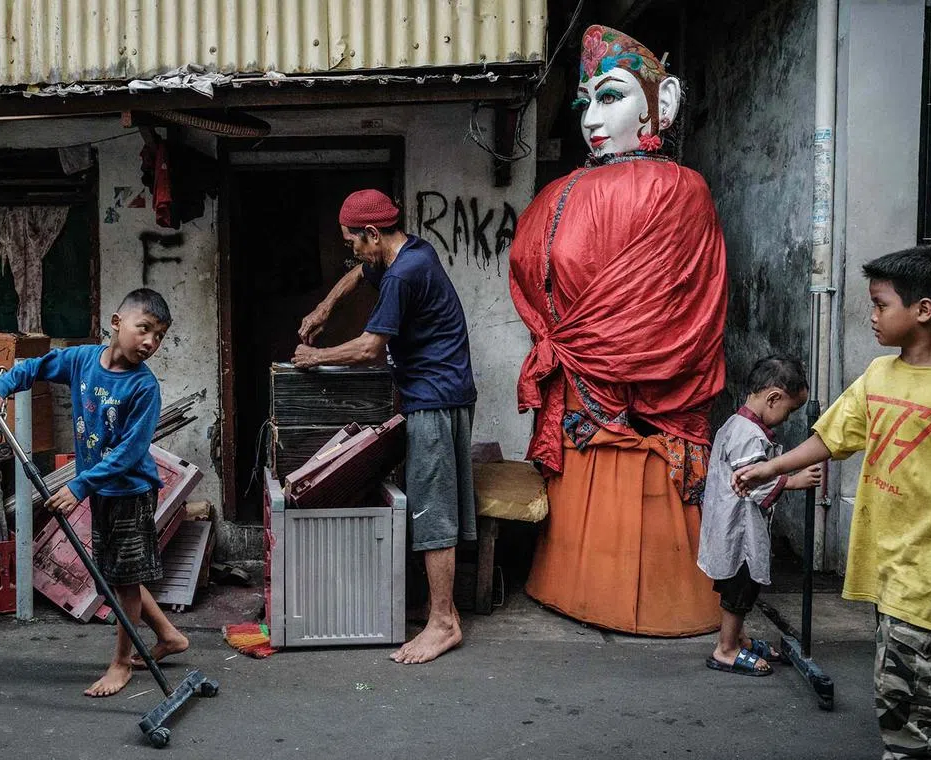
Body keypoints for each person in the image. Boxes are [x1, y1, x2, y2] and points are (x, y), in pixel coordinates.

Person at [507, 24, 727, 635]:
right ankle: (581, 585)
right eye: (586, 103)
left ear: (663, 103)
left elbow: (676, 305)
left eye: (611, 96)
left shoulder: (681, 190)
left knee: (632, 491)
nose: (591, 119)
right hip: (581, 371)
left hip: (632, 384)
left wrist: (592, 337)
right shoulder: (561, 192)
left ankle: (643, 595)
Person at [735, 247, 931, 757]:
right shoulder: (878, 376)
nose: (871, 317)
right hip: (891, 567)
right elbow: (833, 438)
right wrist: (770, 466)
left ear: (923, 310)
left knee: (909, 720)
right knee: (906, 699)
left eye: (880, 305)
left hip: (927, 573)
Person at [294, 188, 477, 664]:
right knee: (429, 500)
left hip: (435, 399)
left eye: (353, 241)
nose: (352, 251)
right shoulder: (410, 250)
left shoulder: (403, 275)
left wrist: (316, 357)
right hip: (436, 392)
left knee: (432, 510)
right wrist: (325, 307)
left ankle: (443, 624)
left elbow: (370, 348)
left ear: (373, 233)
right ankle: (443, 610)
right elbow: (360, 273)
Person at [0, 288, 189, 697]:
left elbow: (130, 452)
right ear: (116, 323)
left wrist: (78, 485)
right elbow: (36, 367)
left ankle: (121, 663)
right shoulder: (81, 361)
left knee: (123, 582)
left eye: (159, 336)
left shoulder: (144, 388)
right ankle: (169, 636)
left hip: (130, 491)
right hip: (100, 491)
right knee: (117, 576)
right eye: (144, 329)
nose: (150, 342)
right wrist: (1, 386)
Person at [697, 355, 821, 676]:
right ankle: (726, 649)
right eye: (789, 410)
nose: (788, 417)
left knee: (738, 588)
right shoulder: (748, 435)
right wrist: (795, 481)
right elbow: (752, 482)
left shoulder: (737, 425)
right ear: (773, 398)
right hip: (737, 532)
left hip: (731, 526)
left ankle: (738, 639)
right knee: (740, 590)